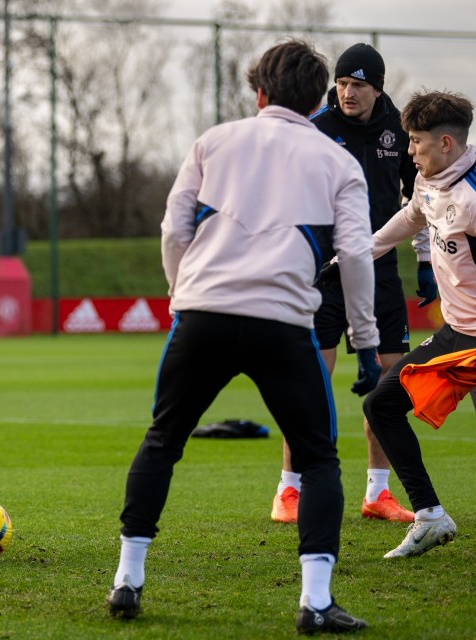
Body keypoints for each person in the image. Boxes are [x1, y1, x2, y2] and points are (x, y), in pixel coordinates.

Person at [105, 40, 376, 634]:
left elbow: (173, 228)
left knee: (163, 440)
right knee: (317, 457)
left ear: (259, 92)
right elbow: (355, 252)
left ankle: (127, 580)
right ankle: (315, 601)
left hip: (203, 314)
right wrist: (364, 335)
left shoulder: (213, 140)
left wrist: (182, 295)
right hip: (282, 323)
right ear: (319, 99)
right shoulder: (338, 161)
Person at [271, 43, 428, 525]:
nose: (347, 93)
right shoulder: (316, 129)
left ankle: (377, 494)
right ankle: (289, 491)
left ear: (377, 87)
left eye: (357, 84)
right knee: (312, 380)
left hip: (379, 272)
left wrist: (424, 259)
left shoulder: (398, 130)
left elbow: (421, 193)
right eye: (341, 84)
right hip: (323, 274)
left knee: (389, 382)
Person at [363, 90, 476, 558]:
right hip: (457, 334)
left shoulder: (471, 198)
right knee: (382, 405)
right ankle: (429, 516)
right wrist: (356, 254)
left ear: (446, 144)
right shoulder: (430, 182)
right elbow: (412, 215)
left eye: (416, 142)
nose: (409, 151)